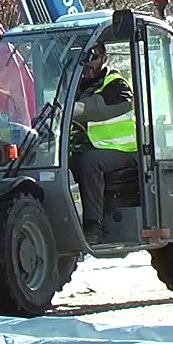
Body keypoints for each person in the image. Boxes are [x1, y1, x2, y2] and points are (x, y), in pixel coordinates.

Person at [70, 42, 136, 245]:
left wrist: (72, 110)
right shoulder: (77, 85)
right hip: (98, 146)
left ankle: (93, 225)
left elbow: (97, 108)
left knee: (90, 162)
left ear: (104, 59)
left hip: (126, 150)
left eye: (94, 58)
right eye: (85, 58)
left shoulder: (117, 85)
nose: (88, 64)